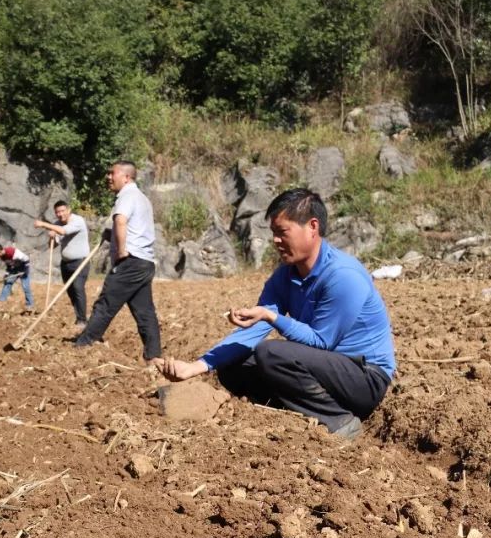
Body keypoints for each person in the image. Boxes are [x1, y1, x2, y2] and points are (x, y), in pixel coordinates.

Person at [155, 189, 395, 441]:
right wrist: (197, 366)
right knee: (233, 365)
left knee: (271, 353)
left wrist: (272, 317)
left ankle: (340, 422)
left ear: (312, 227)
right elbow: (253, 330)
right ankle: (293, 414)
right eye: (273, 233)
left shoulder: (343, 275)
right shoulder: (286, 275)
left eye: (282, 232)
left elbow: (323, 342)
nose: (276, 241)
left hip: (365, 378)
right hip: (323, 370)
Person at [74, 161, 162, 361]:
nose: (108, 177)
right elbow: (129, 225)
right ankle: (154, 355)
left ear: (126, 177)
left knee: (105, 304)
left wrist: (121, 250)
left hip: (130, 262)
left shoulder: (127, 196)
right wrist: (111, 234)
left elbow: (121, 220)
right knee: (144, 311)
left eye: (111, 173)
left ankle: (83, 344)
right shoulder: (142, 198)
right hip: (144, 262)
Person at [34, 200, 90, 327]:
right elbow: (52, 245)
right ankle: (79, 316)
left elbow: (64, 231)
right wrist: (51, 237)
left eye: (62, 211)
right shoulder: (57, 224)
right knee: (70, 291)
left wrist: (43, 224)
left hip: (80, 262)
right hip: (65, 263)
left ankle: (82, 320)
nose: (60, 214)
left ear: (69, 210)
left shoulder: (78, 221)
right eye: (57, 212)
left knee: (78, 288)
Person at [0, 243, 34, 314]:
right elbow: (9, 266)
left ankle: (30, 305)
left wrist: (26, 270)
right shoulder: (2, 257)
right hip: (14, 269)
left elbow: (26, 259)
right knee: (8, 282)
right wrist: (7, 274)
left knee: (26, 287)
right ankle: (1, 299)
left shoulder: (12, 252)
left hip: (23, 268)